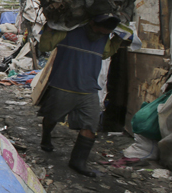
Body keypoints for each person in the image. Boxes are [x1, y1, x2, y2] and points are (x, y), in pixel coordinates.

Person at [38, 14, 129, 177]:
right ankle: (46, 136)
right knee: (51, 117)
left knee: (90, 126)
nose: (101, 35)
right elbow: (45, 46)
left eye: (105, 33)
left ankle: (78, 161)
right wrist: (49, 28)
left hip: (89, 90)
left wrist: (117, 40)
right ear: (92, 22)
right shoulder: (69, 30)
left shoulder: (104, 38)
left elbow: (105, 54)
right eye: (99, 31)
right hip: (63, 86)